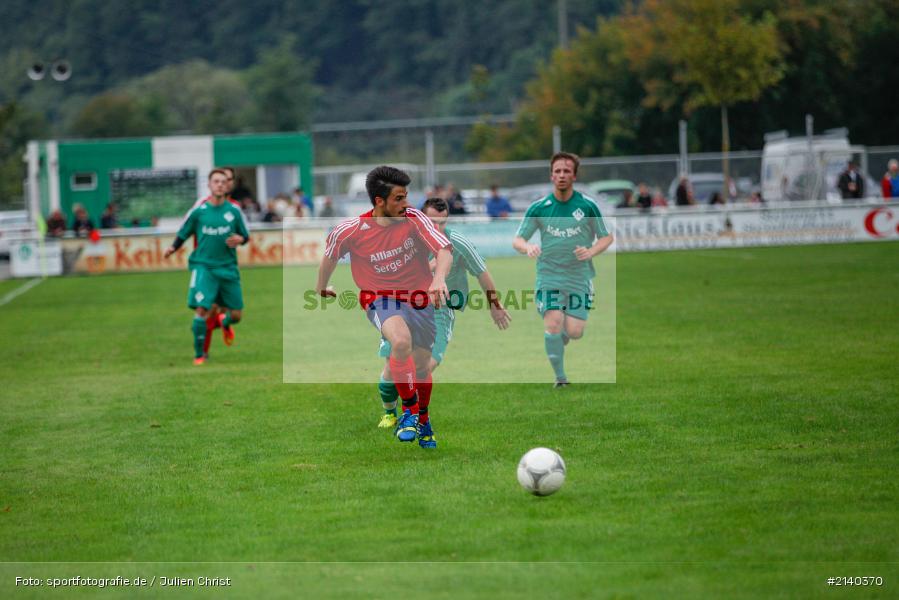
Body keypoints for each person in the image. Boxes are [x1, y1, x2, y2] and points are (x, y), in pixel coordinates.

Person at [316, 166, 452, 446]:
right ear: (379, 201)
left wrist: (438, 279)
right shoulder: (350, 230)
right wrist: (321, 286)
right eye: (399, 198)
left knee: (422, 367)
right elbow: (330, 255)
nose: (406, 203)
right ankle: (408, 413)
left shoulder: (414, 218)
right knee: (400, 342)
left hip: (420, 299)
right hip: (379, 298)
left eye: (406, 196)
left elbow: (443, 250)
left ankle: (423, 419)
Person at [375, 197, 512, 436]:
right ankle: (389, 412)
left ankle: (413, 415)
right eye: (432, 222)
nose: (437, 227)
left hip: (440, 311)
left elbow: (482, 272)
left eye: (442, 222)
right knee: (392, 364)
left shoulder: (457, 242)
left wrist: (495, 304)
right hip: (405, 307)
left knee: (425, 365)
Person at [512, 152, 614, 388]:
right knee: (553, 321)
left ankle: (562, 336)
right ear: (551, 175)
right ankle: (561, 379)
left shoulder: (587, 206)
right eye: (557, 171)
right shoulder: (540, 207)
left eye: (566, 171)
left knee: (575, 332)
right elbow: (517, 240)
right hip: (549, 276)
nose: (561, 175)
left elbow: (607, 238)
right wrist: (528, 247)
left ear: (574, 176)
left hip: (579, 277)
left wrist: (591, 251)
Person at [165, 169, 250, 365]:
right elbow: (184, 231)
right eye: (216, 181)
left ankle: (224, 321)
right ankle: (199, 355)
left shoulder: (234, 211)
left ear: (228, 185)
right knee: (202, 309)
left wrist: (241, 239)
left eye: (224, 181)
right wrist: (173, 247)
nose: (220, 184)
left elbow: (245, 236)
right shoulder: (199, 211)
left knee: (236, 315)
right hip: (204, 267)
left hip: (228, 268)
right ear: (209, 185)